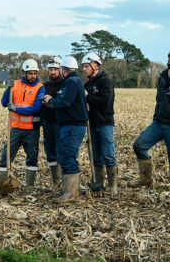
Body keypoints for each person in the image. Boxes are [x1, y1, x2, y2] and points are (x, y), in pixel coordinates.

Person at [128, 50, 170, 204]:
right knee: (139, 145)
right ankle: (145, 179)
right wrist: (156, 117)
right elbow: (159, 100)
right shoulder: (163, 78)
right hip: (158, 123)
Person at [42, 56, 88, 203]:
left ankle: (70, 194)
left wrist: (50, 100)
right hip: (70, 125)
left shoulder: (72, 82)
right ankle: (69, 191)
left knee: (68, 157)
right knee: (65, 156)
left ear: (63, 70)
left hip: (73, 125)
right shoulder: (72, 81)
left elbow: (65, 102)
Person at [0, 59, 45, 193]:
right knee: (5, 157)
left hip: (32, 130)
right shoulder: (15, 85)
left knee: (32, 158)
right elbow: (3, 103)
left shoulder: (40, 88)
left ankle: (29, 186)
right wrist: (7, 90)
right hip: (16, 129)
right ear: (23, 73)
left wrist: (16, 109)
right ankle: (3, 185)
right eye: (30, 73)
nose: (33, 76)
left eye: (35, 73)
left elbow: (36, 108)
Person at [82, 53, 118, 195]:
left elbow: (106, 102)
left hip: (105, 123)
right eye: (83, 67)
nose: (84, 69)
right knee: (96, 156)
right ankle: (99, 185)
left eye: (86, 66)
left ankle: (113, 186)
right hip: (92, 124)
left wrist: (89, 98)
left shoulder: (105, 80)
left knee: (108, 155)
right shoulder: (88, 83)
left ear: (95, 65)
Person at [41, 56, 64, 192]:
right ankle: (55, 183)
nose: (52, 72)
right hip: (47, 124)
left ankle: (64, 183)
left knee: (62, 153)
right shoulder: (45, 86)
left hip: (60, 124)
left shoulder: (66, 85)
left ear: (61, 70)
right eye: (50, 69)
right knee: (50, 153)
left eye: (55, 69)